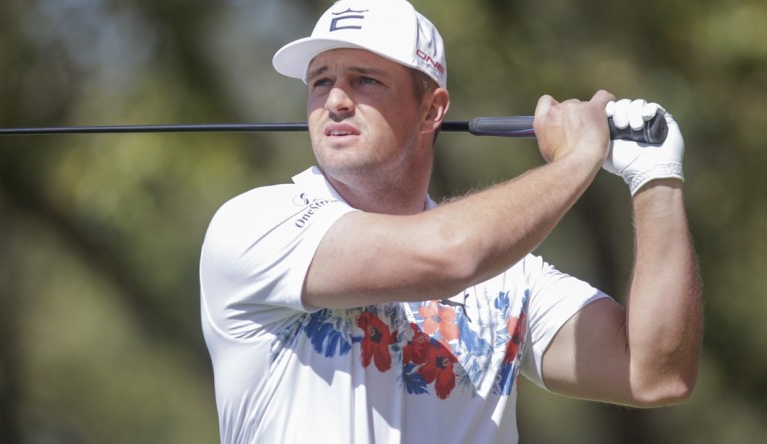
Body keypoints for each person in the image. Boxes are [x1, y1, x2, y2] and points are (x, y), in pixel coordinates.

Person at [199, 0, 703, 442]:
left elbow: (656, 372)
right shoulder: (255, 224)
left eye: (364, 80)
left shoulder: (512, 273)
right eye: (321, 81)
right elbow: (452, 253)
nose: (334, 100)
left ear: (431, 110)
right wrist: (577, 159)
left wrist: (656, 181)